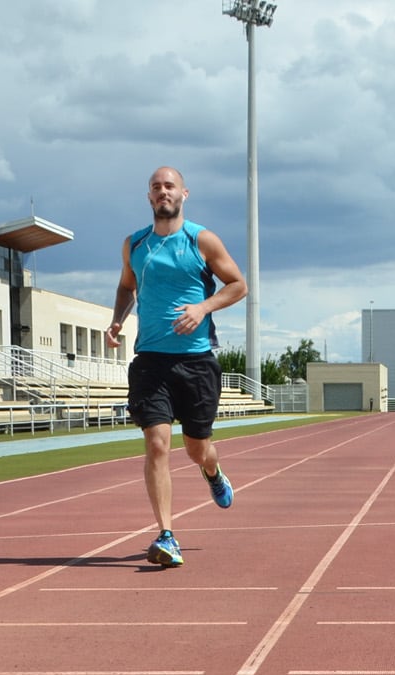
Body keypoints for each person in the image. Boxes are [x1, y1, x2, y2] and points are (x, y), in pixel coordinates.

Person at [107, 167, 248, 568]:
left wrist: (203, 307)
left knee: (196, 448)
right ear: (149, 197)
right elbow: (125, 286)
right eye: (155, 187)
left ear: (184, 193)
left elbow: (238, 284)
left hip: (196, 360)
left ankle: (213, 470)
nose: (162, 192)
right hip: (150, 360)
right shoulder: (134, 244)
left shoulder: (201, 239)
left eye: (169, 186)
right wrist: (118, 318)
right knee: (156, 444)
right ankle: (167, 535)